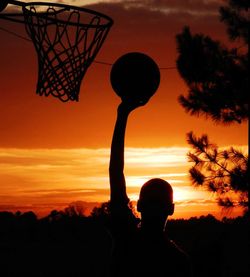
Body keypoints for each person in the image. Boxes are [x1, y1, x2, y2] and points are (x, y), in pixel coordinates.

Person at [109, 100, 193, 277]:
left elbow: (116, 172)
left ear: (139, 205)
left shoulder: (126, 238)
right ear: (171, 208)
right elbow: (115, 173)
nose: (154, 208)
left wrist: (122, 115)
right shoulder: (179, 261)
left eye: (155, 203)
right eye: (153, 203)